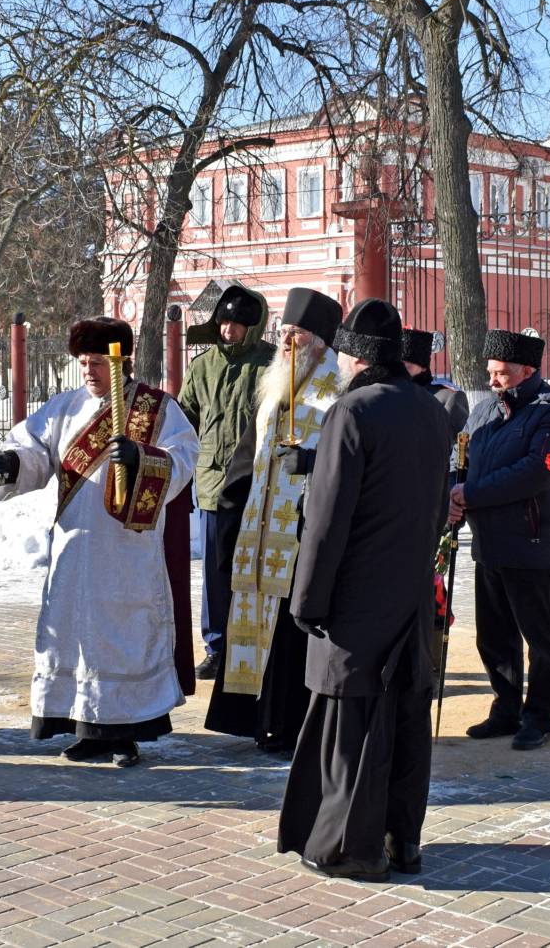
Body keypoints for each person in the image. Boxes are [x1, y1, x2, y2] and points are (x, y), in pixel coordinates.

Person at [278, 298, 451, 881]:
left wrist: (307, 599)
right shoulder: (430, 410)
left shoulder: (352, 411)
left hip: (355, 597)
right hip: (410, 589)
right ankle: (404, 841)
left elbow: (326, 521)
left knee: (351, 722)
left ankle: (350, 848)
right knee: (404, 717)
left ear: (356, 358)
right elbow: (436, 511)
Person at [0, 317, 199, 768]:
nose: (89, 370)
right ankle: (84, 726)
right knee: (76, 635)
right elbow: (34, 450)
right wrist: (11, 463)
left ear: (121, 361)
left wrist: (144, 457)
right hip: (74, 547)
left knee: (122, 636)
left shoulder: (155, 409)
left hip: (126, 550)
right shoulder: (64, 408)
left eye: (98, 362)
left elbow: (184, 458)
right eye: (84, 362)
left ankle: (124, 734)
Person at [206, 287, 344, 754]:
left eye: (296, 334)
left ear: (320, 341)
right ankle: (254, 720)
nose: (285, 342)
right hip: (258, 532)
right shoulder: (274, 386)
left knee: (289, 636)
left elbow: (347, 461)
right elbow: (247, 457)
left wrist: (310, 463)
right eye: (283, 332)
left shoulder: (339, 391)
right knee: (254, 624)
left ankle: (289, 726)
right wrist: (229, 518)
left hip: (302, 534)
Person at [449, 329, 550, 751]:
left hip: (530, 541)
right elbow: (461, 458)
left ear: (526, 370)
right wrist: (453, 494)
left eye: (501, 373)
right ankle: (505, 708)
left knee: (540, 639)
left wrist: (472, 494)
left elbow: (535, 472)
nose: (492, 380)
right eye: (490, 371)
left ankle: (538, 717)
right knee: (494, 636)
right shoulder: (486, 409)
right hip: (487, 541)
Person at [178, 284, 276, 679]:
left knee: (254, 569)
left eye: (236, 324)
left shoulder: (271, 364)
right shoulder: (202, 366)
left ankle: (256, 643)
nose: (227, 330)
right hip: (212, 487)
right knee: (215, 574)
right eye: (223, 322)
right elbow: (184, 419)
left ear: (253, 327)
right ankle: (217, 647)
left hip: (256, 484)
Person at [403, 328, 469, 435]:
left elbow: (458, 441)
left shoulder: (449, 398)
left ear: (423, 367)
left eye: (406, 364)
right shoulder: (390, 394)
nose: (401, 369)